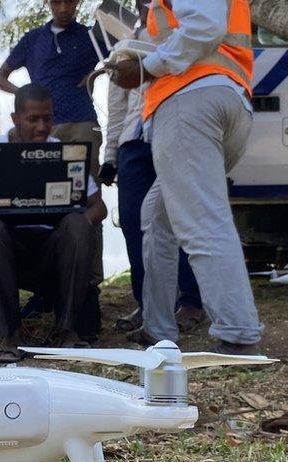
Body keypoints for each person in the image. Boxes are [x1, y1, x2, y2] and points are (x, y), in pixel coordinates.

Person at [111, 0, 263, 353]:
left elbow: (204, 27)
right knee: (157, 217)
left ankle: (238, 334)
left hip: (189, 103)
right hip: (222, 99)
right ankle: (158, 327)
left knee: (201, 221)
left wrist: (146, 67)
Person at [0, 84, 107, 363]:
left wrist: (75, 229)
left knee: (79, 225)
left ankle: (65, 332)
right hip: (7, 248)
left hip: (53, 248)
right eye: (33, 119)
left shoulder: (66, 156)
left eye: (48, 118)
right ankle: (10, 336)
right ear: (16, 118)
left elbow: (98, 207)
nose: (42, 127)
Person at [101, 3, 203, 334]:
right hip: (134, 139)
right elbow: (116, 107)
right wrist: (109, 155)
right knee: (132, 220)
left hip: (176, 129)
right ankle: (147, 305)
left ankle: (189, 301)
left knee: (181, 216)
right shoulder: (122, 47)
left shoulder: (184, 32)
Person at [0, 0, 107, 290]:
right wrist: (28, 96)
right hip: (44, 129)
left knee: (87, 201)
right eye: (57, 1)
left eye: (69, 1)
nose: (63, 7)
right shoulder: (32, 39)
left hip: (82, 124)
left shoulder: (89, 36)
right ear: (48, 3)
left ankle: (89, 281)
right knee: (43, 200)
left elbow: (125, 51)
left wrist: (97, 74)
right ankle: (49, 282)